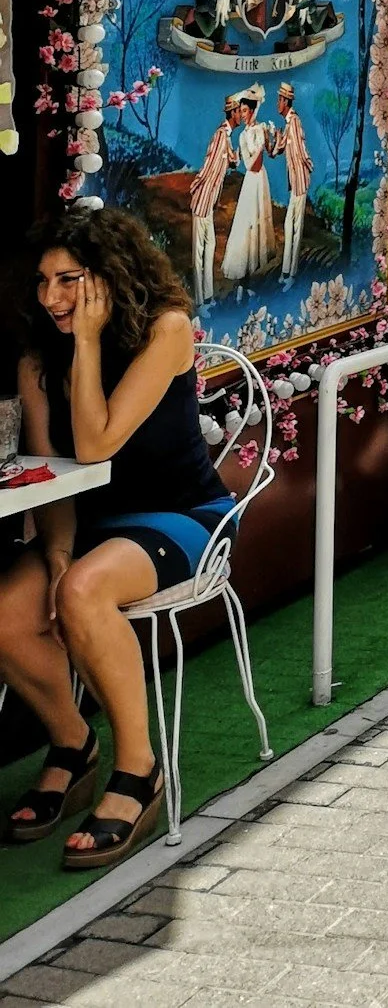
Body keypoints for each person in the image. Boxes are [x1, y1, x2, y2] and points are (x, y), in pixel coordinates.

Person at [0, 207, 236, 867]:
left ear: (107, 278)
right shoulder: (35, 361)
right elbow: (57, 478)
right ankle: (74, 744)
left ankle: (138, 771)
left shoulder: (165, 330)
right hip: (94, 527)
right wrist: (53, 550)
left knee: (81, 590)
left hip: (185, 516)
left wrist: (89, 343)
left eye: (69, 280)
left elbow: (99, 441)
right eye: (43, 282)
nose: (51, 298)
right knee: (8, 613)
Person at [219, 87, 275, 292]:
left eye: (244, 110)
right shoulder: (243, 136)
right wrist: (259, 147)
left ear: (252, 110)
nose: (242, 115)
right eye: (240, 111)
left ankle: (257, 273)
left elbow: (268, 155)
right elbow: (252, 165)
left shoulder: (260, 130)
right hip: (251, 181)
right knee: (247, 222)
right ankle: (244, 277)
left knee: (260, 220)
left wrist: (267, 140)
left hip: (261, 181)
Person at [191, 96, 239, 304]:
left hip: (209, 202)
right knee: (199, 253)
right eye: (239, 111)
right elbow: (209, 165)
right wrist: (196, 187)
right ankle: (201, 300)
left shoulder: (226, 137)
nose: (241, 115)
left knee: (209, 247)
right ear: (233, 113)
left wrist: (234, 159)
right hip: (203, 201)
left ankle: (208, 296)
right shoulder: (221, 135)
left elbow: (229, 162)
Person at [271, 82, 314, 282]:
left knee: (295, 225)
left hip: (299, 180)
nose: (277, 103)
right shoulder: (288, 124)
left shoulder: (294, 122)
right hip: (296, 180)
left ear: (286, 102)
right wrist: (275, 137)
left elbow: (300, 151)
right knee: (290, 224)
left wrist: (307, 167)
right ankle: (287, 271)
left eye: (279, 100)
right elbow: (278, 150)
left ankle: (291, 273)